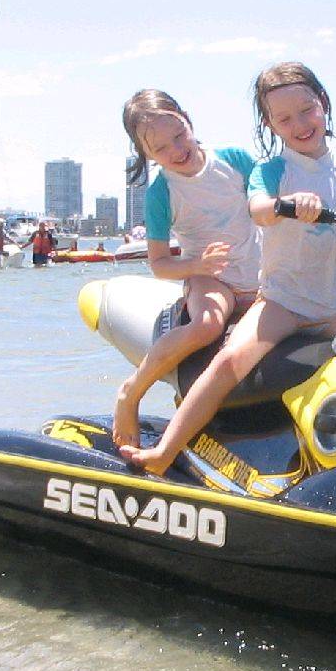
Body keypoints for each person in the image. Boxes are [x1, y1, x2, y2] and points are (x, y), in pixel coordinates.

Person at [119, 63, 336, 474]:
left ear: (323, 103)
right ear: (269, 125)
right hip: (276, 301)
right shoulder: (272, 171)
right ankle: (161, 444)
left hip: (328, 307)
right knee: (226, 359)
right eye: (284, 119)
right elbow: (258, 208)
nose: (300, 124)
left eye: (306, 111)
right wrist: (286, 206)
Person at [110, 89, 261, 450]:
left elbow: (269, 202)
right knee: (207, 326)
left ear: (189, 121)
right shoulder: (161, 192)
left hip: (260, 277)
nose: (176, 150)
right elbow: (159, 264)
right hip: (210, 279)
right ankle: (131, 392)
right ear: (145, 154)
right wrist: (199, 264)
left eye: (179, 136)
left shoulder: (235, 161)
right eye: (160, 148)